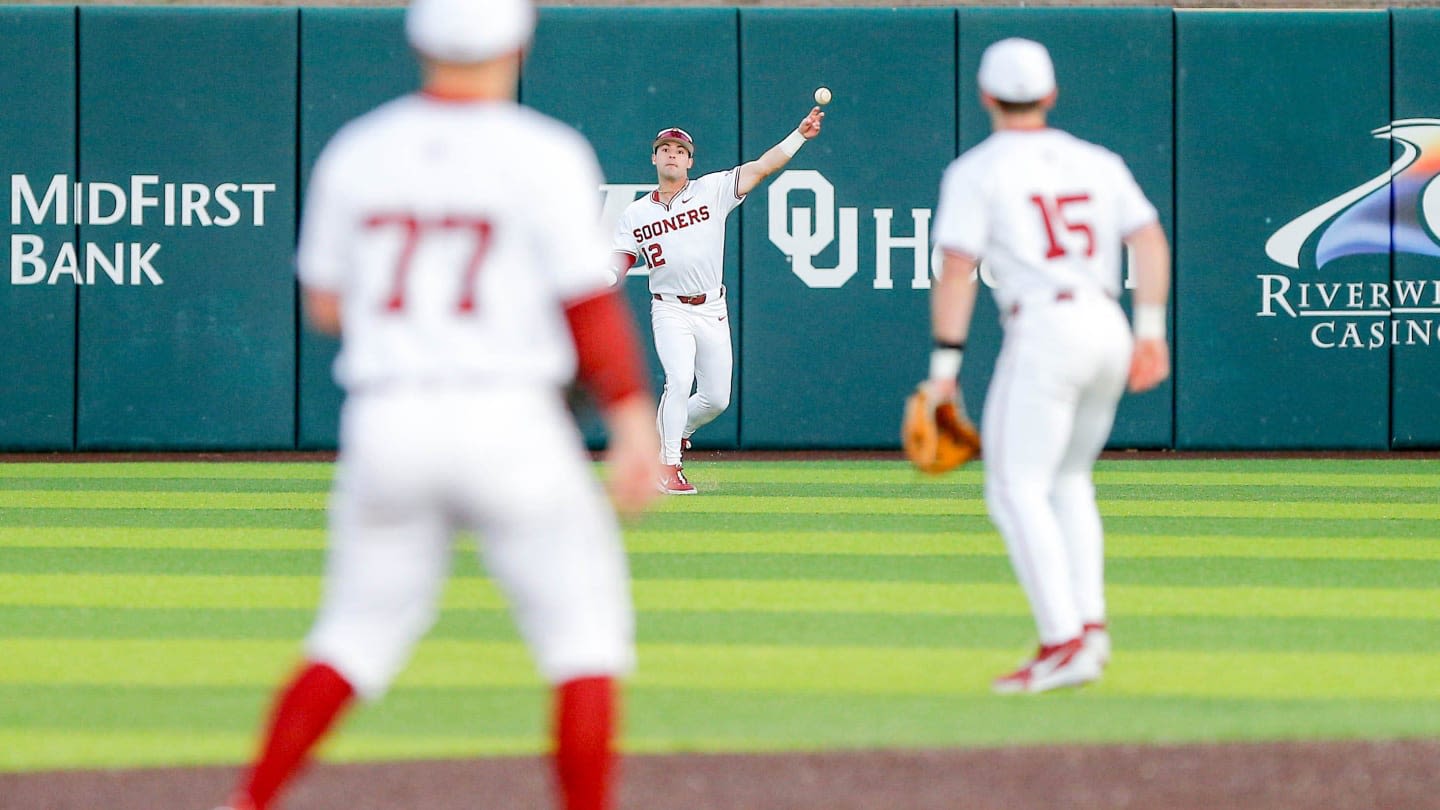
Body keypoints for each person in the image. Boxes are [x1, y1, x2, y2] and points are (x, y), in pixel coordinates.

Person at [215, 0, 660, 807]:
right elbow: (589, 307)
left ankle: (248, 802)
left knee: (350, 638)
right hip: (510, 419)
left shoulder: (360, 149)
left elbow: (324, 305)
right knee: (584, 643)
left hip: (388, 420)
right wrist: (631, 424)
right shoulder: (545, 152)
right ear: (519, 41)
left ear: (417, 40)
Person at [925, 38, 1171, 694]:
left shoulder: (978, 169)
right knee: (1069, 481)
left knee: (1015, 488)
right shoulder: (1097, 159)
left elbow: (957, 268)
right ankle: (1088, 631)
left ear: (984, 97)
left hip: (1046, 329)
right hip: (1107, 322)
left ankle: (1063, 641)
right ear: (1052, 94)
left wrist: (944, 366)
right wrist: (1151, 330)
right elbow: (1148, 238)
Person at [611, 109, 824, 494]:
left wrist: (799, 136)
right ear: (654, 158)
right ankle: (667, 463)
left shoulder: (712, 189)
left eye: (679, 150)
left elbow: (761, 167)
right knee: (677, 379)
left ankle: (676, 431)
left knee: (716, 399)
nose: (672, 154)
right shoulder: (636, 213)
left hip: (711, 308)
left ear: (690, 160)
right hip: (669, 306)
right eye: (665, 149)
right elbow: (621, 259)